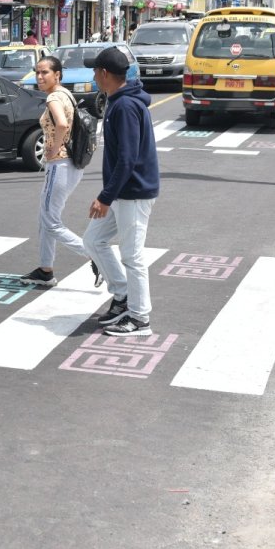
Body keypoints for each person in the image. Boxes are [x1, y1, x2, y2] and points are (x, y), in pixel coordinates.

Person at [83, 47, 160, 337]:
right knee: (93, 240)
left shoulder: (125, 106)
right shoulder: (119, 100)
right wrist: (109, 194)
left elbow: (127, 159)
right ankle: (122, 295)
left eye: (95, 71)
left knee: (132, 256)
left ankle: (140, 318)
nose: (93, 76)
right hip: (121, 191)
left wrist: (105, 197)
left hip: (134, 192)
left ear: (104, 73)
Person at [20, 56, 99, 288]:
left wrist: (53, 150)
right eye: (37, 72)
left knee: (51, 222)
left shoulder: (54, 97)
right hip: (71, 165)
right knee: (46, 218)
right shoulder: (66, 94)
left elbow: (62, 124)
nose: (40, 77)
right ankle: (45, 270)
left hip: (59, 164)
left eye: (45, 72)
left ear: (57, 75)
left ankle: (96, 256)